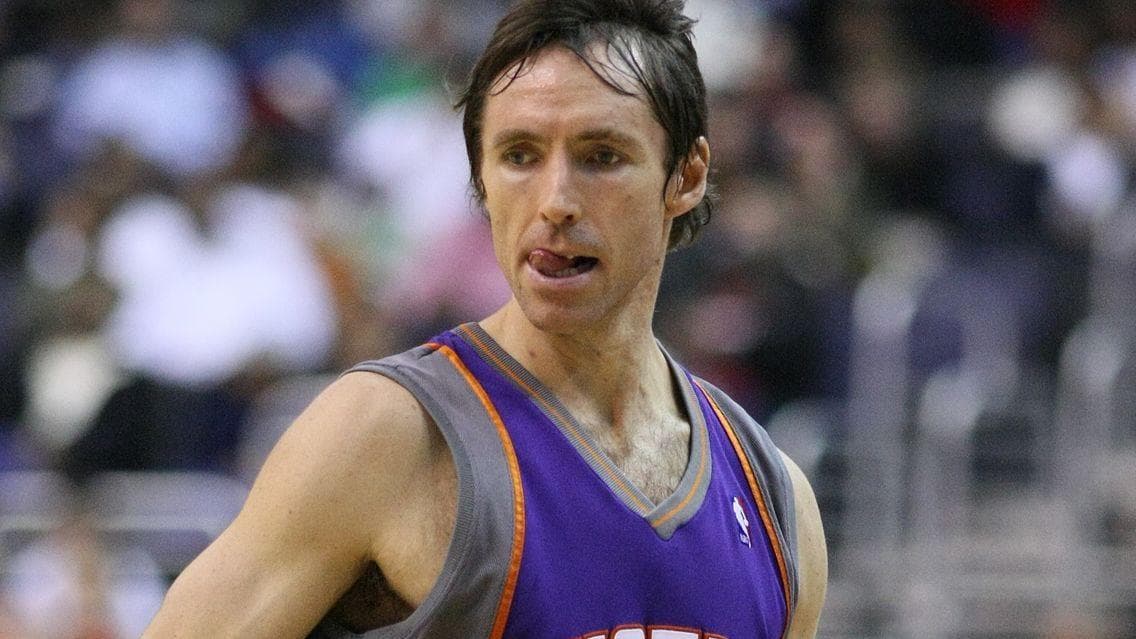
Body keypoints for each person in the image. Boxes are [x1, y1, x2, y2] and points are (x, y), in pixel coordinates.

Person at [142, 0, 827, 637]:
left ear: (686, 176)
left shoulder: (777, 504)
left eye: (601, 157)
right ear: (480, 179)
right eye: (519, 156)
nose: (555, 201)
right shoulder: (384, 434)